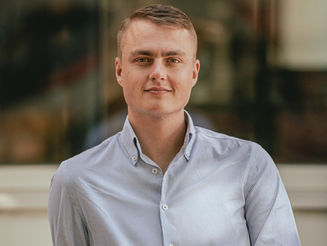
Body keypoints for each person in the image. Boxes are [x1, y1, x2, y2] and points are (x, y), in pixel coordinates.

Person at [48, 4, 301, 246]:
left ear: (194, 72)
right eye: (143, 59)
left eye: (173, 60)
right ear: (119, 71)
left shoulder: (249, 166)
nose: (158, 72)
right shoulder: (75, 180)